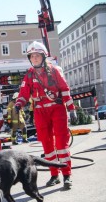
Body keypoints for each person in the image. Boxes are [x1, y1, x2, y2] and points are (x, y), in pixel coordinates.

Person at [14, 41, 77, 190]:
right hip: (40, 112)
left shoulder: (54, 71)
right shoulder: (29, 74)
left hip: (57, 109)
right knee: (47, 144)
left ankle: (66, 175)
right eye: (32, 56)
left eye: (37, 55)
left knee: (61, 144)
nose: (34, 58)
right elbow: (23, 93)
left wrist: (71, 108)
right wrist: (18, 104)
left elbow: (64, 89)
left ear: (43, 56)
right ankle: (54, 175)